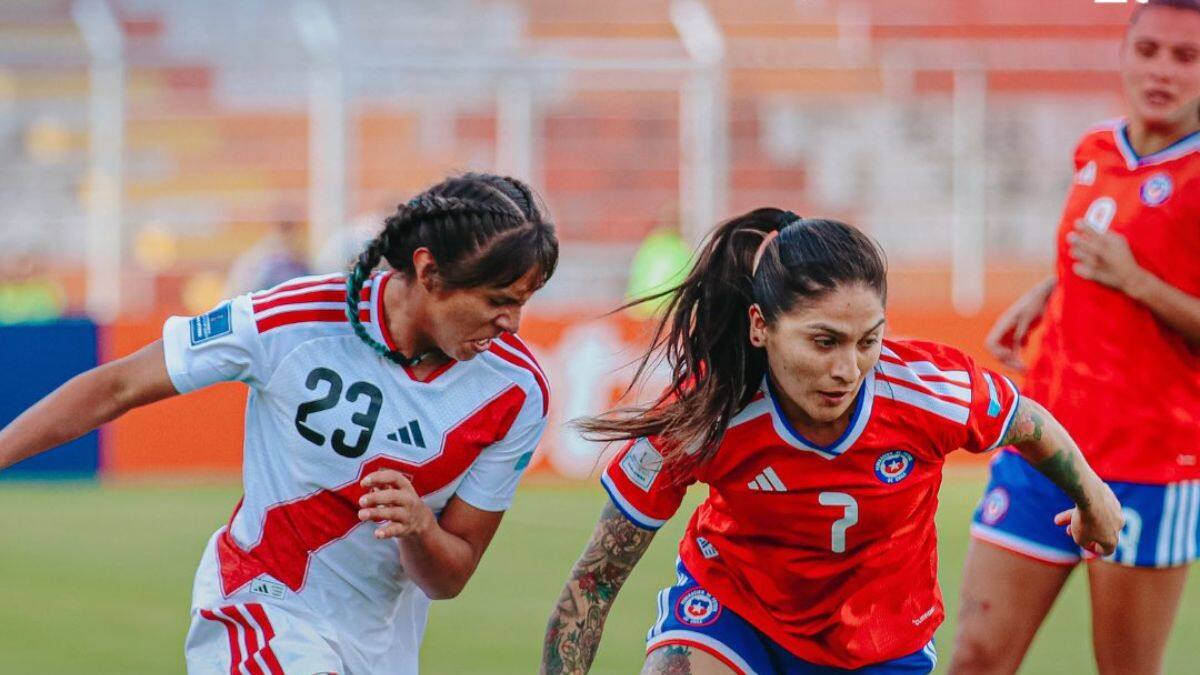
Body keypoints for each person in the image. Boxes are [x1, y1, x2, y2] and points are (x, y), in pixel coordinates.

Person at [0, 173, 558, 674]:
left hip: (379, 647)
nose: (511, 323)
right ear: (429, 272)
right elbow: (115, 386)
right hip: (262, 604)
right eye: (497, 301)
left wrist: (419, 528)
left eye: (523, 302)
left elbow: (450, 577)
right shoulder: (292, 320)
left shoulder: (517, 392)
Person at [539, 209, 1123, 675]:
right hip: (737, 615)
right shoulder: (704, 417)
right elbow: (594, 581)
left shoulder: (928, 392)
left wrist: (1093, 496)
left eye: (868, 340)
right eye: (824, 342)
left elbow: (1025, 420)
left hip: (880, 641)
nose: (849, 368)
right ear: (760, 326)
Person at [951, 2, 1200, 673]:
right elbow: (1093, 250)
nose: (1163, 70)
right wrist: (1046, 293)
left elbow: (1130, 268)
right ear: (1123, 53)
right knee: (974, 655)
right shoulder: (1096, 149)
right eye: (1148, 49)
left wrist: (1137, 280)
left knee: (1123, 667)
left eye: (1186, 56)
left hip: (1148, 467)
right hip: (1046, 444)